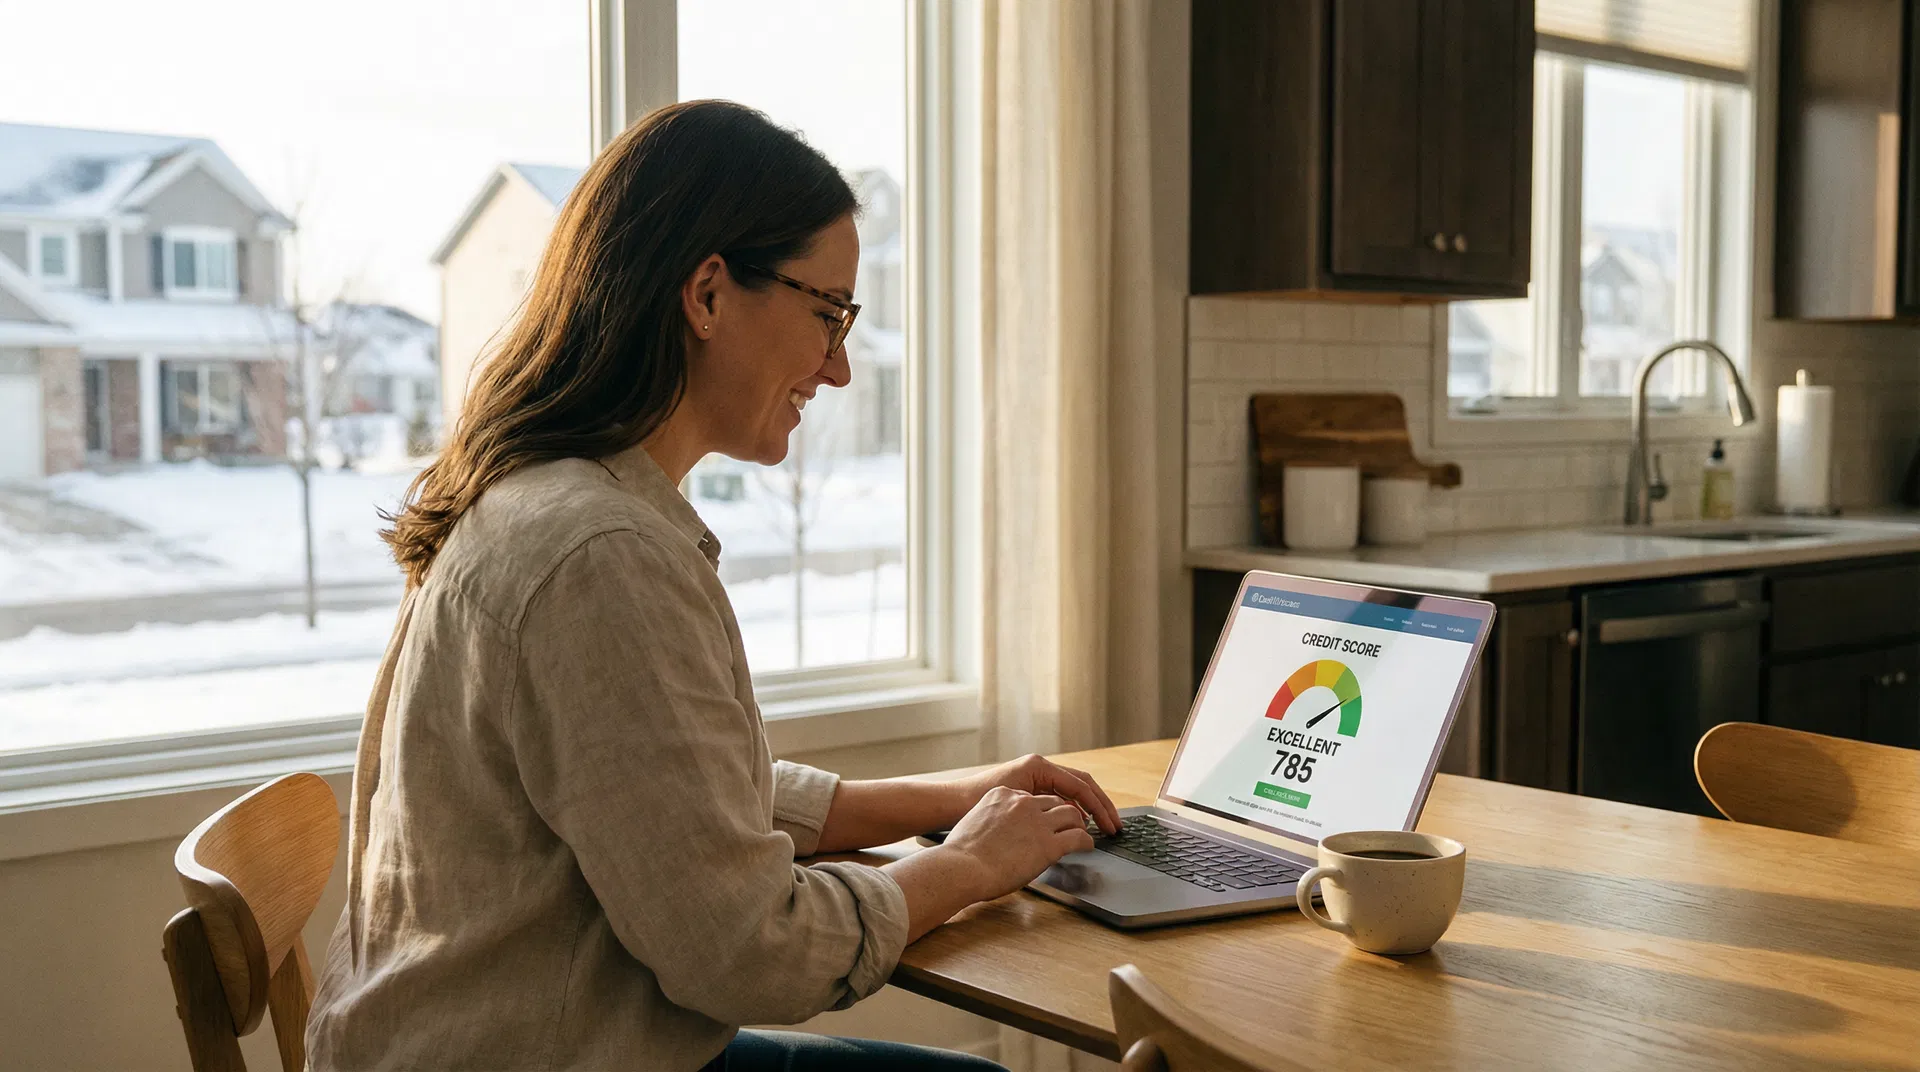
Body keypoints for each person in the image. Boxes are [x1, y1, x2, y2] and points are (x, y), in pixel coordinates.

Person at [305, 99, 1122, 1071]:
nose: (842, 367)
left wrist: (955, 797)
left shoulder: (543, 499)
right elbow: (749, 948)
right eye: (829, 313)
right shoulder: (599, 557)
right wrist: (973, 863)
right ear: (707, 294)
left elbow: (670, 799)